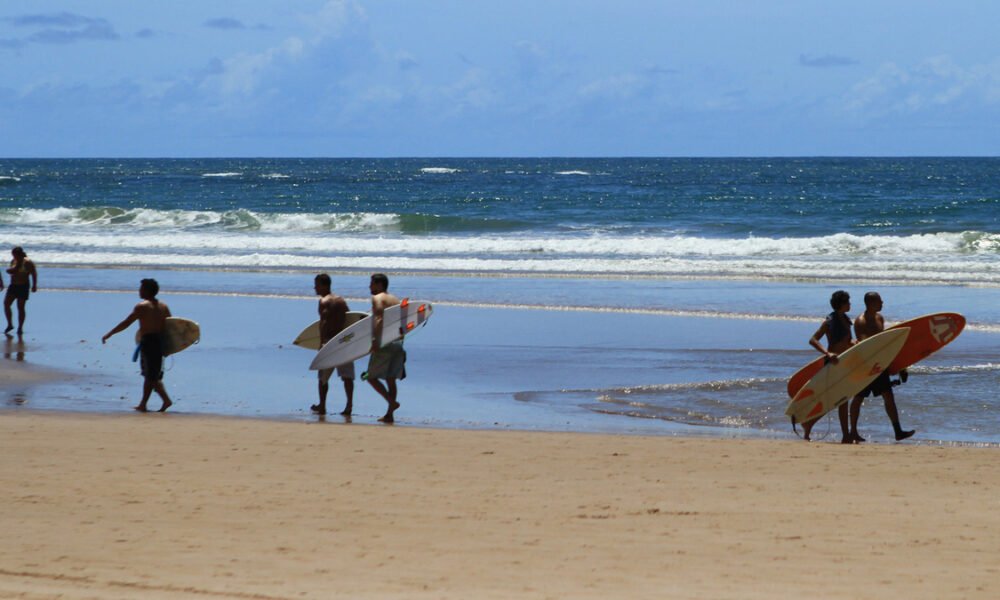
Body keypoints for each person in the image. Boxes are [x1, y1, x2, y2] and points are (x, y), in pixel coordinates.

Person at [102, 279, 173, 412]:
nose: (139, 291)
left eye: (141, 288)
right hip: (160, 342)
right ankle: (143, 404)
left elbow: (127, 322)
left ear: (147, 290)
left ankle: (166, 400)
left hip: (148, 342)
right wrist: (170, 346)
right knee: (151, 375)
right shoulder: (164, 306)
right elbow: (171, 327)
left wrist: (110, 333)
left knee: (151, 376)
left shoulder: (142, 306)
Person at [851, 292, 915, 442]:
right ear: (871, 303)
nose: (882, 303)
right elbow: (865, 346)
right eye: (879, 301)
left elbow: (884, 344)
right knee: (858, 398)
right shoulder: (860, 322)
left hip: (880, 364)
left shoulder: (879, 318)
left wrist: (900, 367)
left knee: (888, 396)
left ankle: (898, 431)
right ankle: (853, 431)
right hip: (866, 366)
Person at [802, 290, 855, 443]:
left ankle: (810, 425)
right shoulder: (829, 322)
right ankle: (843, 435)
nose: (850, 304)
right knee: (837, 399)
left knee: (840, 399)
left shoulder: (846, 320)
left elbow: (847, 340)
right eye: (848, 302)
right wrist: (827, 353)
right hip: (833, 363)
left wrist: (855, 343)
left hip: (844, 362)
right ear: (841, 304)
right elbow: (813, 340)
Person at [364, 273, 406, 423]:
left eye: (372, 283)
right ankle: (390, 415)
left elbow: (379, 318)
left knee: (371, 377)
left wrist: (375, 341)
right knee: (390, 379)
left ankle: (392, 402)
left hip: (384, 343)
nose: (369, 286)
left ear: (379, 285)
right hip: (397, 343)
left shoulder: (377, 298)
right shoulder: (395, 300)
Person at [312, 273, 355, 416]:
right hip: (343, 341)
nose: (314, 288)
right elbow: (350, 318)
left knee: (322, 377)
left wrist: (321, 343)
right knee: (347, 377)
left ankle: (322, 406)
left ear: (324, 285)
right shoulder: (341, 300)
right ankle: (349, 406)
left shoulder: (324, 301)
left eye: (316, 285)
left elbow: (323, 323)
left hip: (329, 342)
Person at [3, 246, 38, 336]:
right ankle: (10, 324)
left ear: (19, 254)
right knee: (6, 304)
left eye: (15, 255)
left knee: (20, 307)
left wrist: (34, 285)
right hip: (13, 286)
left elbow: (34, 273)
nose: (14, 257)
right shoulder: (13, 261)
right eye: (13, 255)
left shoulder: (27, 262)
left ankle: (20, 327)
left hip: (23, 286)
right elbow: (12, 271)